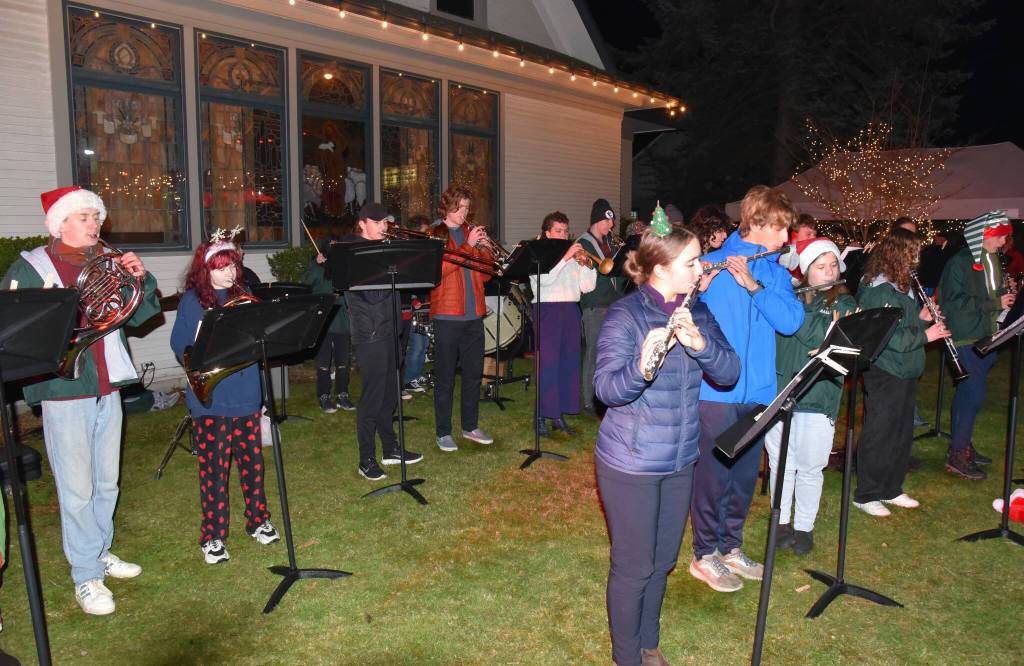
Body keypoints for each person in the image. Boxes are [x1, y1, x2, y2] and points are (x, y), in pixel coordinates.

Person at [1, 187, 160, 614]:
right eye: (85, 217)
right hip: (64, 389)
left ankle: (100, 550)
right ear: (61, 223)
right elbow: (14, 329)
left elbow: (143, 315)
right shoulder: (32, 267)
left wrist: (140, 279)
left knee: (106, 481)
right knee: (77, 489)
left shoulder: (106, 263)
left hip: (107, 384)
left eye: (96, 217)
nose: (96, 224)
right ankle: (85, 576)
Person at [594, 222, 739, 666]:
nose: (701, 268)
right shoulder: (626, 315)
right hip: (631, 462)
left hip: (680, 458)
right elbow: (605, 389)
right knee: (634, 567)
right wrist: (641, 367)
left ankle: (648, 643)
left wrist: (700, 344)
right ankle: (626, 658)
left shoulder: (700, 311)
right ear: (660, 268)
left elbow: (729, 372)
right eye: (692, 261)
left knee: (662, 562)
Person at [688, 185, 804, 592]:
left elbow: (791, 322)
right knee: (713, 476)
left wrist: (755, 286)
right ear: (757, 223)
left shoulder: (773, 272)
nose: (786, 239)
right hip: (716, 391)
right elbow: (676, 311)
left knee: (741, 478)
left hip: (759, 392)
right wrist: (696, 290)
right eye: (780, 229)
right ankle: (704, 554)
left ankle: (730, 547)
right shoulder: (710, 263)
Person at [170, 231, 281, 564]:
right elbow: (181, 347)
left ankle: (258, 520)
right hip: (213, 398)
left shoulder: (244, 295)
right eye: (220, 267)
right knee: (214, 470)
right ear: (206, 269)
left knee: (252, 465)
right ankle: (213, 535)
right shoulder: (193, 301)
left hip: (246, 392)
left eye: (232, 265)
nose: (229, 273)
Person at [765, 238, 856, 555]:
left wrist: (791, 311)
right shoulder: (788, 298)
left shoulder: (843, 304)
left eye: (833, 265)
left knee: (811, 466)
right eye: (821, 266)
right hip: (781, 393)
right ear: (805, 271)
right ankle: (781, 521)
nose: (829, 272)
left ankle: (804, 526)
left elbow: (820, 333)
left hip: (819, 395)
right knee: (781, 463)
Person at [853, 227, 950, 516]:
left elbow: (905, 325)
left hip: (906, 368)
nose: (917, 260)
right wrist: (927, 335)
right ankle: (866, 493)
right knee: (880, 430)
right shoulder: (877, 288)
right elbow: (887, 337)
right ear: (897, 255)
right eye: (913, 254)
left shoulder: (902, 284)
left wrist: (921, 319)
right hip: (885, 369)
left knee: (901, 431)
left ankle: (891, 488)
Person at [343, 203, 423, 480]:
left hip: (390, 330)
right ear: (363, 223)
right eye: (378, 222)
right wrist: (393, 267)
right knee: (372, 396)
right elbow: (372, 295)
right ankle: (366, 458)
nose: (384, 226)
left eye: (386, 221)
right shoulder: (352, 252)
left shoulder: (383, 249)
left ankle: (390, 449)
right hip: (370, 333)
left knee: (391, 393)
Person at [937, 211, 1016, 480]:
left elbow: (986, 293)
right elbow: (953, 304)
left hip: (987, 335)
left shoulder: (992, 259)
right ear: (983, 234)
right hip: (966, 337)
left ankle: (962, 444)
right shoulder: (960, 263)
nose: (1005, 239)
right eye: (1000, 234)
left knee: (969, 394)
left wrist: (1003, 295)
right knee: (973, 393)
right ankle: (958, 454)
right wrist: (995, 303)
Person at [430, 187, 495, 451]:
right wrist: (467, 248)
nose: (464, 213)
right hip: (447, 315)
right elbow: (436, 271)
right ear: (446, 207)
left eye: (467, 207)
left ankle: (470, 426)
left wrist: (485, 250)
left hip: (473, 316)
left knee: (472, 375)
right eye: (460, 207)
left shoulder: (470, 236)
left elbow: (487, 274)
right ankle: (443, 431)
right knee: (445, 378)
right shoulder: (435, 234)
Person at [529, 211, 596, 436]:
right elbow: (542, 280)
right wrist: (565, 258)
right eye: (558, 231)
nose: (563, 234)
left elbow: (587, 287)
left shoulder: (573, 255)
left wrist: (587, 265)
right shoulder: (538, 252)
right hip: (547, 309)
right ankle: (540, 416)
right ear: (547, 233)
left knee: (567, 365)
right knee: (547, 365)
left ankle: (558, 416)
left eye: (565, 231)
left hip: (570, 309)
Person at [579, 198, 625, 416]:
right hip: (595, 305)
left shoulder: (610, 243)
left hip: (613, 302)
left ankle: (605, 396)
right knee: (593, 352)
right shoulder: (585, 244)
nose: (611, 226)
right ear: (598, 220)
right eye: (608, 221)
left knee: (610, 352)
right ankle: (588, 401)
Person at [303, 246, 355, 413]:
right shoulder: (317, 271)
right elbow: (305, 286)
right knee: (323, 362)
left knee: (343, 362)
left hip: (342, 322)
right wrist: (315, 264)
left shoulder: (343, 271)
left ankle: (342, 394)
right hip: (323, 322)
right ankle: (323, 395)